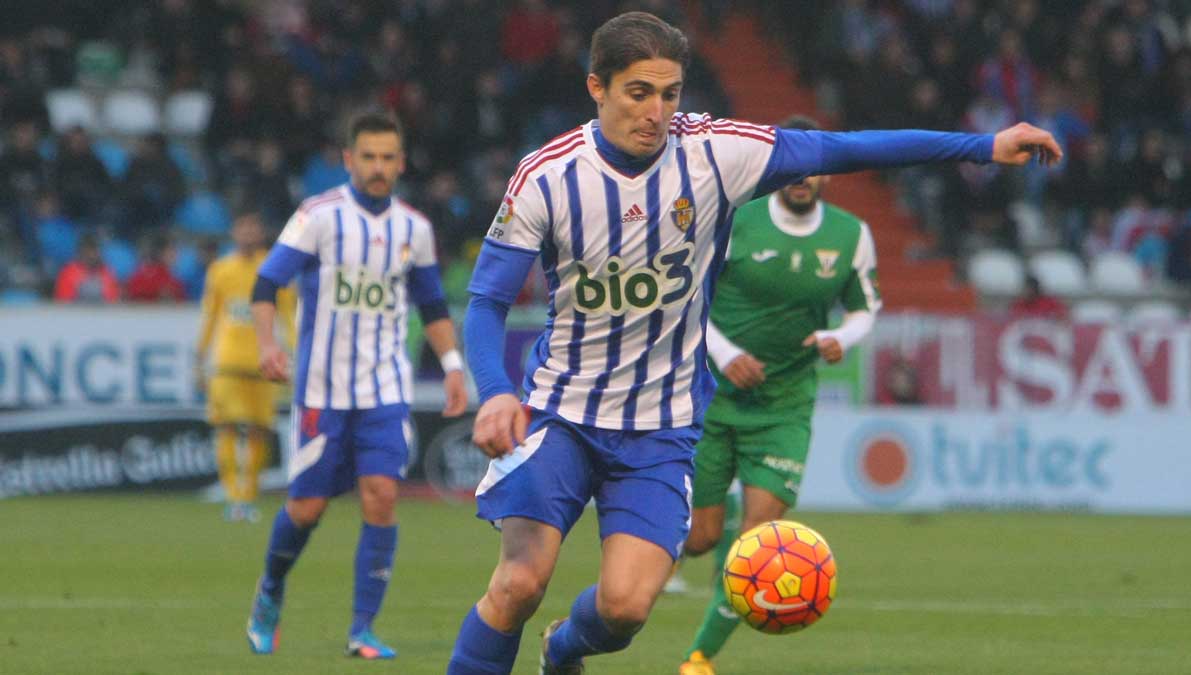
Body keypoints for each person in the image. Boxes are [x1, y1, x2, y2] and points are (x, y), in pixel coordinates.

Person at [446, 12, 1061, 675]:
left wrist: (981, 146)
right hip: (560, 415)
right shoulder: (547, 177)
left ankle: (562, 650)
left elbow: (848, 149)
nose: (656, 111)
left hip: (661, 428)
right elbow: (487, 301)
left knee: (624, 608)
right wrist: (496, 390)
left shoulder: (717, 154)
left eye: (670, 93)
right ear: (597, 87)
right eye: (638, 92)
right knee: (518, 584)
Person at [244, 110, 469, 660]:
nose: (377, 167)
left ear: (400, 162)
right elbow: (266, 282)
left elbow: (432, 305)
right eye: (367, 156)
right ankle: (270, 589)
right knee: (308, 508)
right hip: (322, 390)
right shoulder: (318, 217)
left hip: (384, 390)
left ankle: (362, 629)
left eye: (387, 158)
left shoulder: (413, 228)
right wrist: (269, 344)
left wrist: (455, 365)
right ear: (348, 159)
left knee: (382, 495)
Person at [677, 115, 882, 675]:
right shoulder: (736, 219)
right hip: (712, 399)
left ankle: (698, 657)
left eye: (810, 170)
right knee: (700, 538)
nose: (800, 178)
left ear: (825, 176)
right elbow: (688, 294)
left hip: (785, 407)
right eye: (791, 168)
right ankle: (646, 553)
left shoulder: (850, 235)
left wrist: (841, 336)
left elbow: (866, 308)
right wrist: (724, 354)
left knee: (760, 543)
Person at [195, 210, 296, 522]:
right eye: (243, 228)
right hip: (227, 362)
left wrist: (293, 354)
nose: (248, 234)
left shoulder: (277, 269)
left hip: (263, 362)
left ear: (261, 233)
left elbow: (288, 316)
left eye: (253, 228)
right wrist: (200, 358)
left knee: (259, 431)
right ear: (234, 233)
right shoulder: (220, 270)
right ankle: (232, 496)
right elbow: (210, 316)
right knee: (225, 426)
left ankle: (248, 497)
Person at [53, 232, 120, 303]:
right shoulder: (68, 273)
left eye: (95, 250)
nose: (92, 255)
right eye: (88, 250)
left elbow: (113, 302)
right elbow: (62, 303)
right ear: (81, 251)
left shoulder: (107, 272)